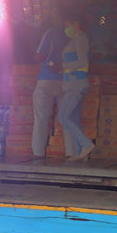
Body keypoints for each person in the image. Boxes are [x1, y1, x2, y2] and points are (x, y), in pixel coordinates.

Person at [55, 14, 94, 162]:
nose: (66, 28)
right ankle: (80, 153)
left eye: (68, 24)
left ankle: (86, 144)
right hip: (75, 84)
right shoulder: (76, 39)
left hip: (76, 85)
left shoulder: (81, 38)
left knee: (63, 116)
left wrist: (63, 66)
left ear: (76, 23)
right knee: (74, 118)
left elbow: (82, 61)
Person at [31, 15, 65, 158]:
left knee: (41, 118)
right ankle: (70, 153)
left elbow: (39, 56)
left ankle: (38, 154)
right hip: (66, 80)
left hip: (47, 79)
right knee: (67, 118)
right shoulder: (77, 36)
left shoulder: (51, 33)